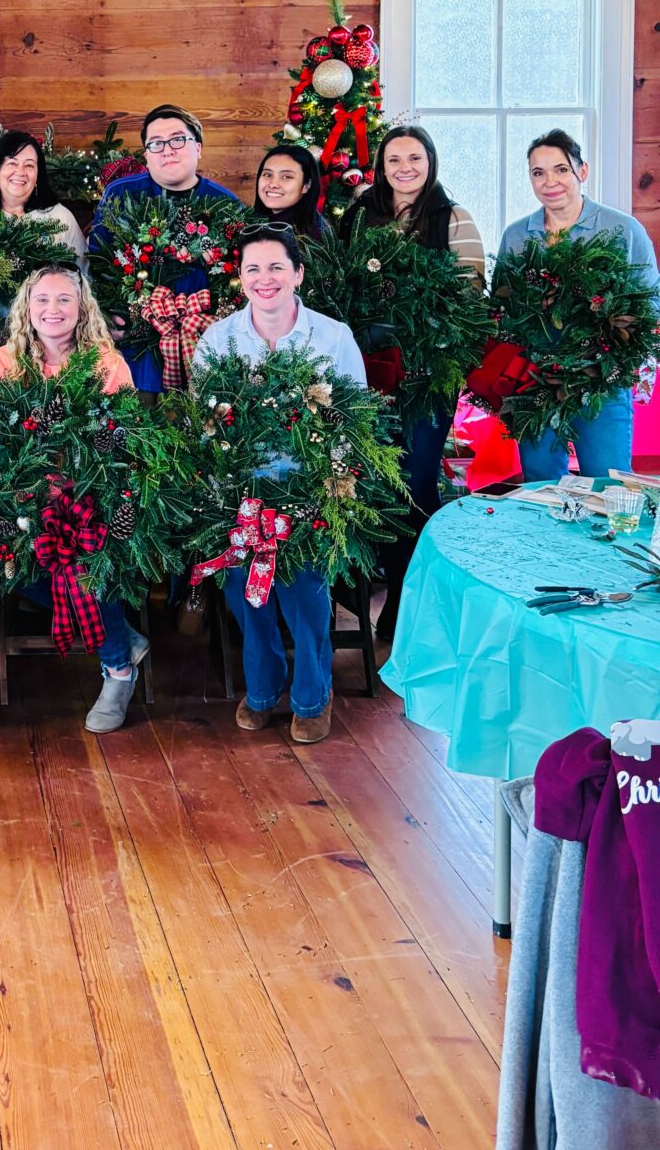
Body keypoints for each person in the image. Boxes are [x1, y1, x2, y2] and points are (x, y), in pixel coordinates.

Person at [191, 222, 368, 745]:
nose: (264, 279)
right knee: (246, 593)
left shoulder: (333, 336)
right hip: (238, 487)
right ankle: (262, 689)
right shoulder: (217, 339)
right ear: (239, 278)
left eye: (275, 267)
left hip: (309, 484)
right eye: (252, 269)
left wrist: (329, 484)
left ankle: (314, 695)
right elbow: (204, 423)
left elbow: (354, 420)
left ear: (297, 274)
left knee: (304, 592)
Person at [0, 267, 148, 733]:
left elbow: (125, 440)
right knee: (9, 567)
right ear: (27, 308)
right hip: (28, 499)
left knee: (81, 562)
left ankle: (117, 670)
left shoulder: (106, 363)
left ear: (81, 309)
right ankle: (121, 636)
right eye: (42, 300)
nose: (52, 310)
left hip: (91, 497)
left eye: (63, 300)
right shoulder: (5, 362)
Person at [339, 123, 483, 635]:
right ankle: (376, 587)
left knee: (417, 484)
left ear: (430, 162)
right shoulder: (359, 217)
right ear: (381, 166)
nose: (405, 168)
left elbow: (470, 298)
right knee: (376, 481)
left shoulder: (452, 218)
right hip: (369, 374)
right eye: (394, 159)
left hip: (426, 376)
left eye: (415, 158)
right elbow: (342, 286)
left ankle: (408, 600)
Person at [497, 128, 660, 482]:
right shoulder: (516, 236)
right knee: (540, 485)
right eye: (538, 173)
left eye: (560, 170)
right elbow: (503, 311)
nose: (549, 181)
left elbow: (650, 307)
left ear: (582, 171)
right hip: (535, 383)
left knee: (608, 481)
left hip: (602, 383)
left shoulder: (622, 231)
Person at [88, 104, 242, 392]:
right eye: (156, 143)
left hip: (204, 335)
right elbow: (97, 262)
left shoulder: (225, 203)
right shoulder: (120, 195)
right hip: (134, 335)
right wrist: (106, 315)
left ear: (198, 147)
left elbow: (239, 274)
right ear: (146, 154)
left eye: (177, 139)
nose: (167, 150)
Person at [0, 128, 86, 261]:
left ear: (38, 175)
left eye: (29, 165)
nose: (20, 172)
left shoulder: (60, 217)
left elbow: (84, 276)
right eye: (12, 163)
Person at [252, 143, 328, 240]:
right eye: (267, 174)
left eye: (287, 177)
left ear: (306, 185)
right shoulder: (250, 223)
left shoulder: (312, 239)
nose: (273, 184)